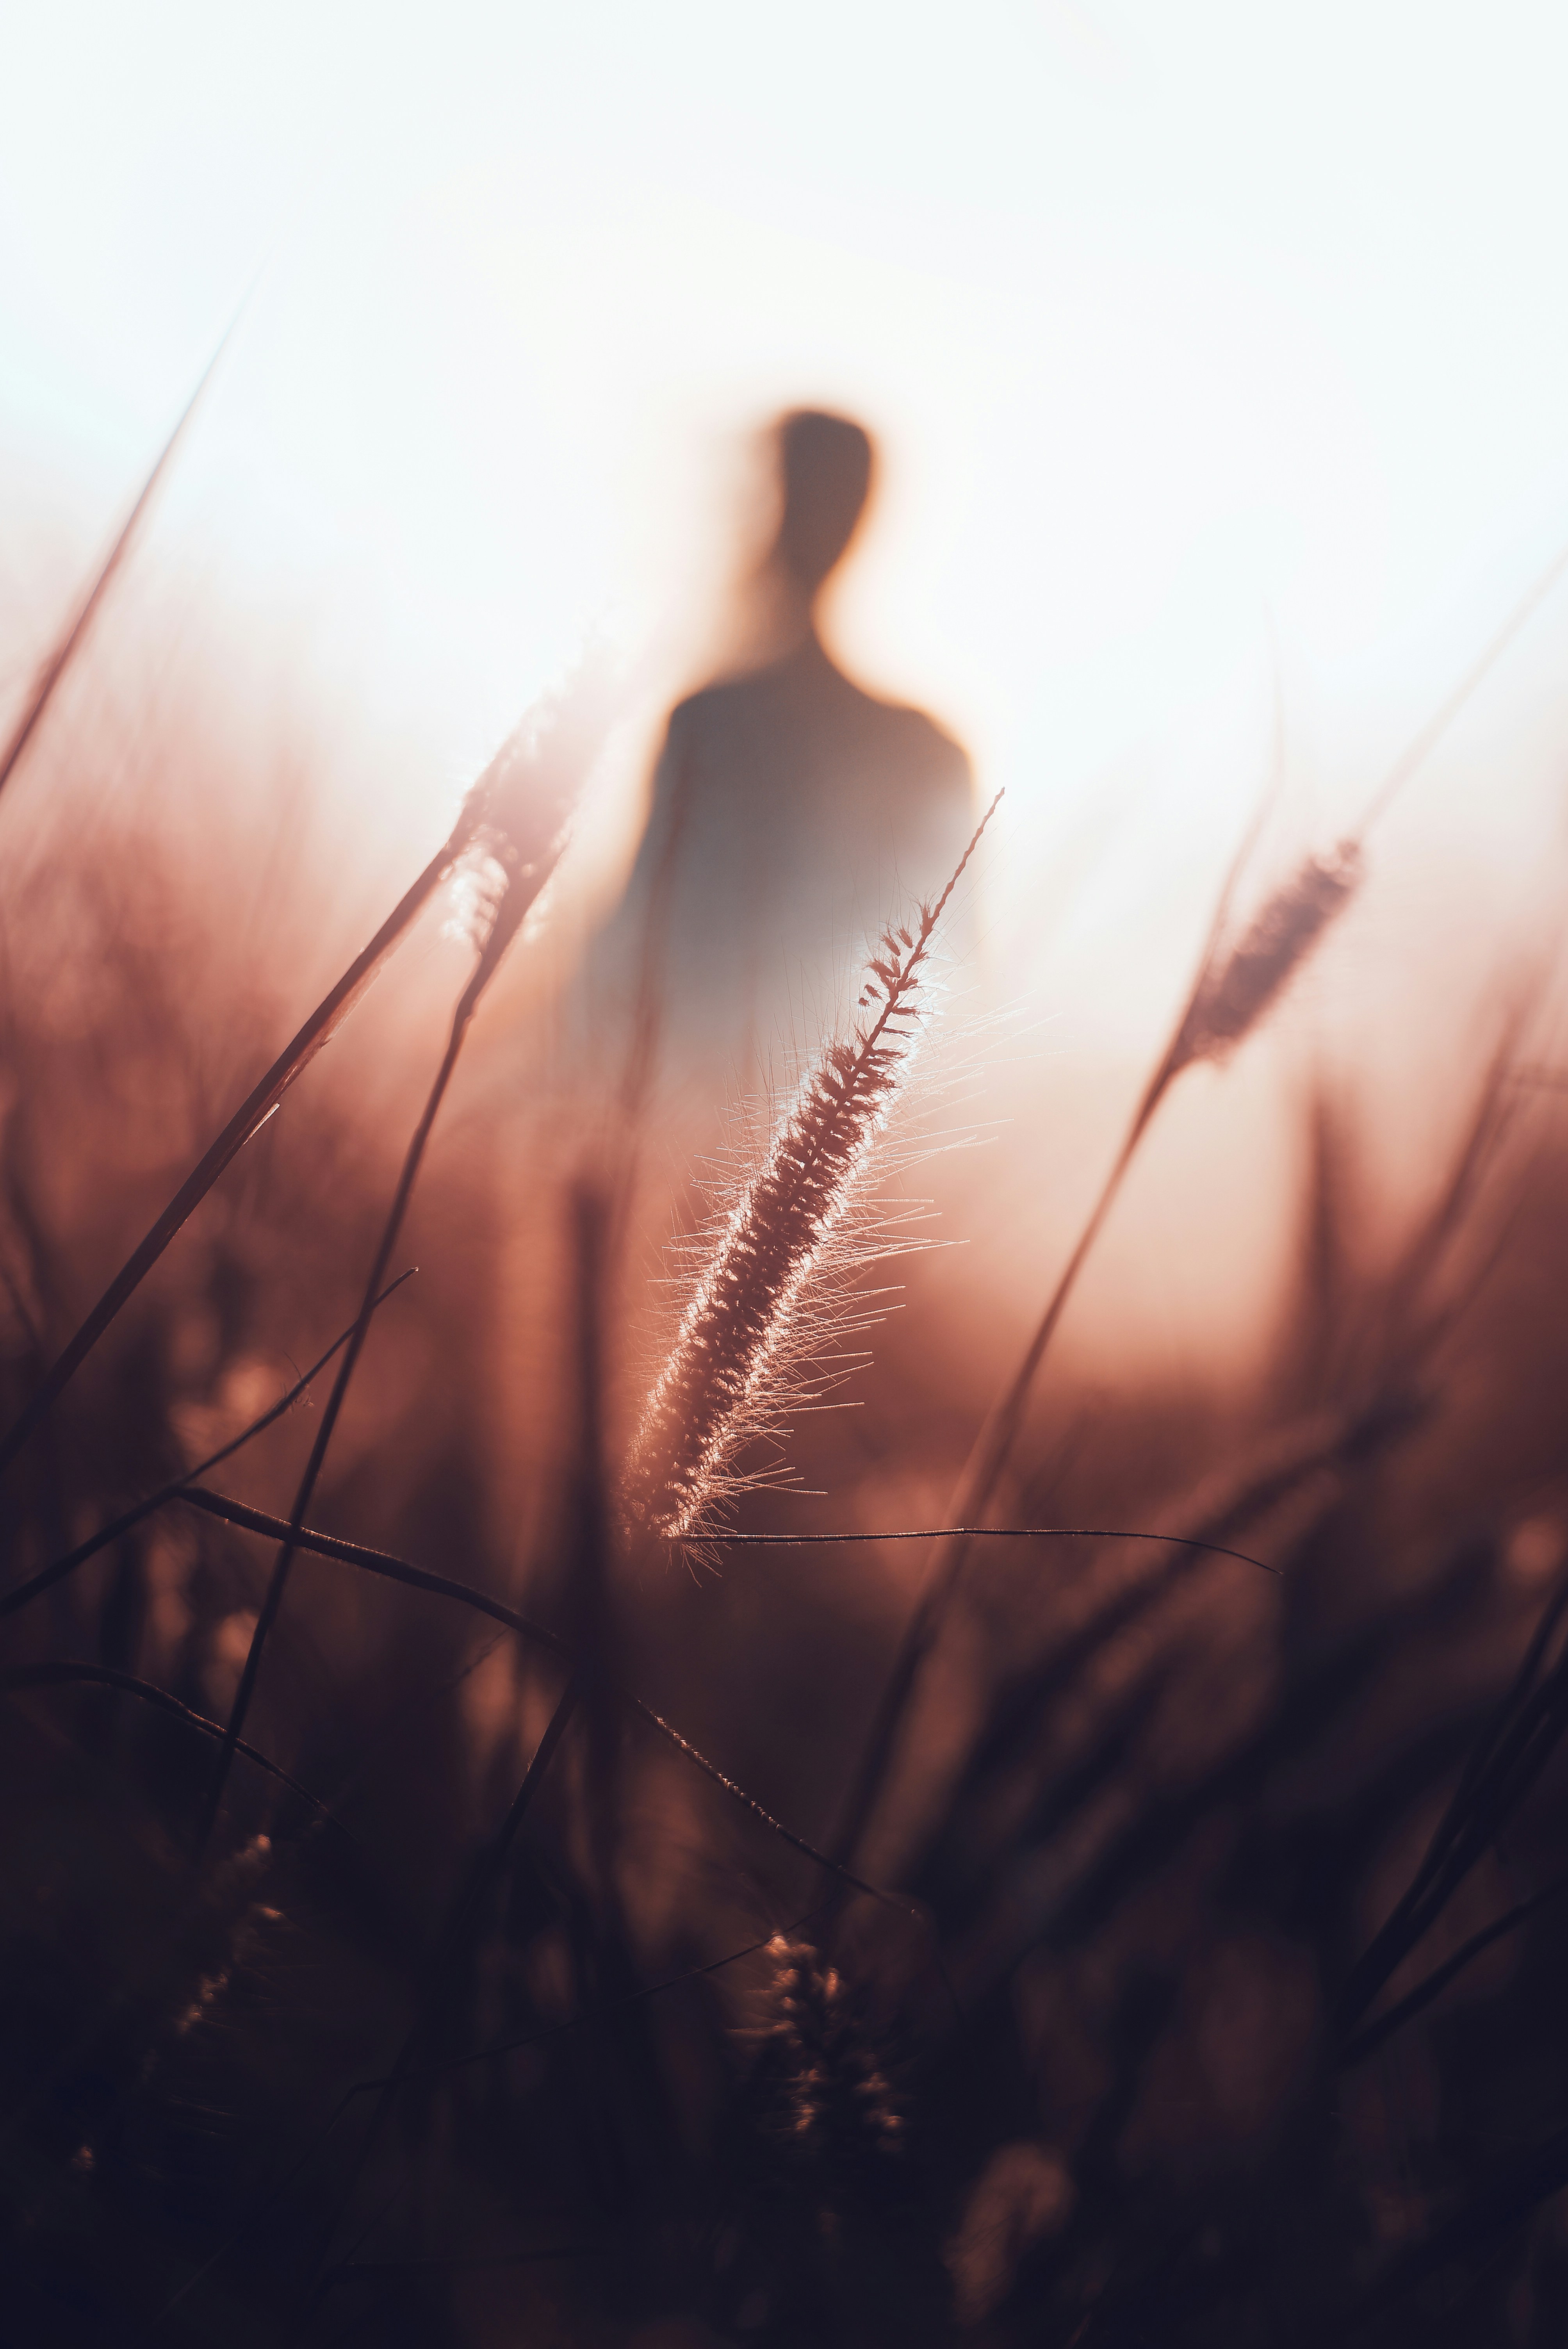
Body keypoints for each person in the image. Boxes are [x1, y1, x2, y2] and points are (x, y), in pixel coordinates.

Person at [601, 410, 976, 1100]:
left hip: (691, 1105)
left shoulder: (708, 723)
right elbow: (955, 987)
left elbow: (626, 958)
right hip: (811, 1122)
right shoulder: (923, 751)